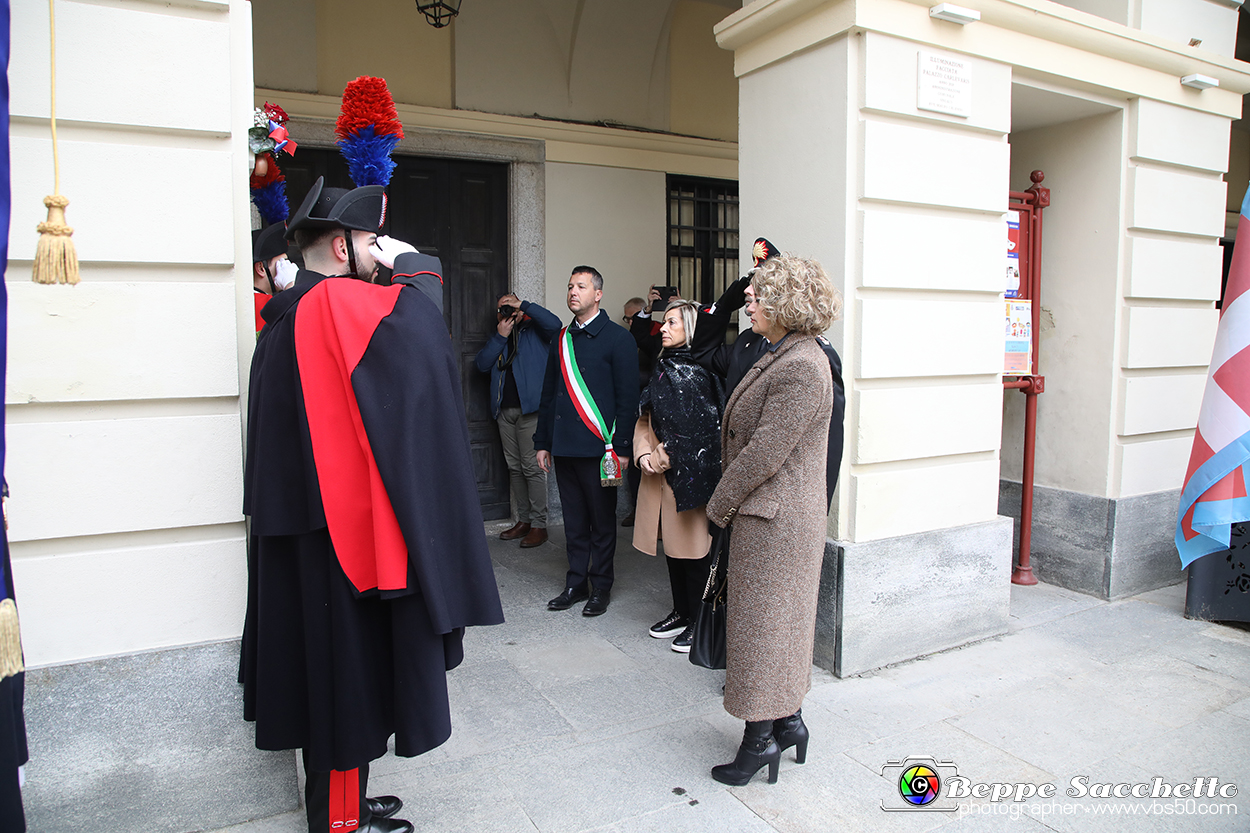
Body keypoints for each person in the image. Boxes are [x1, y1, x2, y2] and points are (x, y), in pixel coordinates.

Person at [241, 178, 505, 833]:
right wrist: (416, 267)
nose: (377, 250)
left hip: (307, 531)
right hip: (330, 539)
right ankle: (338, 821)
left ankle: (349, 803)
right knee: (339, 686)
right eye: (368, 241)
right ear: (339, 245)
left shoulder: (288, 311)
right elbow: (417, 346)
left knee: (336, 680)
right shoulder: (331, 301)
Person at [704, 254, 841, 787]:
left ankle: (757, 741)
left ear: (788, 305)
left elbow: (764, 453)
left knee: (764, 630)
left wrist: (718, 506)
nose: (750, 303)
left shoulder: (803, 365)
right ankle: (789, 722)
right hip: (774, 515)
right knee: (776, 627)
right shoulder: (784, 354)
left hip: (777, 519)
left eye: (760, 296)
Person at [692, 238, 846, 510]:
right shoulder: (747, 342)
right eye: (748, 298)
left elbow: (828, 442)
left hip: (774, 503)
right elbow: (704, 353)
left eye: (758, 297)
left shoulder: (811, 357)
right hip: (743, 493)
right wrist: (723, 305)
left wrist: (818, 505)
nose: (749, 307)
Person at [535, 266, 639, 617]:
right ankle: (576, 584)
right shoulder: (560, 340)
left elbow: (628, 399)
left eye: (581, 286)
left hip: (602, 451)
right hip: (564, 447)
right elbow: (549, 395)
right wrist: (542, 442)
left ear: (598, 294)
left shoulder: (618, 339)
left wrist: (623, 447)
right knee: (574, 522)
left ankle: (601, 587)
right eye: (569, 286)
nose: (573, 292)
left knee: (602, 522)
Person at [632, 300, 723, 652]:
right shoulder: (664, 366)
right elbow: (645, 417)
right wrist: (643, 453)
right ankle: (682, 611)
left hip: (687, 476)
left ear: (690, 329)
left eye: (672, 323)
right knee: (673, 548)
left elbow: (700, 431)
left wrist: (661, 457)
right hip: (658, 472)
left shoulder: (697, 370)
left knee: (694, 550)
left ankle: (701, 619)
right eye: (664, 322)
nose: (664, 328)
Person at [474, 292, 562, 548]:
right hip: (505, 411)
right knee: (514, 468)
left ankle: (538, 525)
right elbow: (481, 365)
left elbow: (555, 324)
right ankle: (523, 520)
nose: (507, 311)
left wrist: (523, 306)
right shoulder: (500, 335)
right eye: (502, 308)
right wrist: (500, 336)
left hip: (531, 411)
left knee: (532, 468)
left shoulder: (536, 330)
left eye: (510, 305)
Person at [251, 223, 296, 335]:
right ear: (261, 268)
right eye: (281, 263)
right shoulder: (266, 305)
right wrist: (291, 286)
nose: (287, 267)